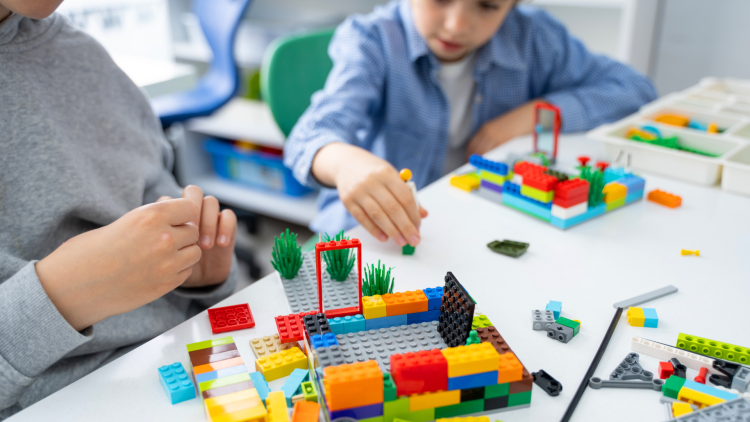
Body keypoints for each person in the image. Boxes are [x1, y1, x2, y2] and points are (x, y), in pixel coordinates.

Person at [0, 1, 238, 417]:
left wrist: (195, 271)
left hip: (184, 357)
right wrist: (61, 295)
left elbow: (157, 192)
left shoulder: (85, 57)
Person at [284, 0, 657, 247]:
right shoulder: (373, 40)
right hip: (374, 237)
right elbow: (309, 137)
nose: (457, 24)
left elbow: (634, 88)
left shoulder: (534, 37)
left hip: (478, 227)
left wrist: (534, 113)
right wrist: (344, 162)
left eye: (488, 5)